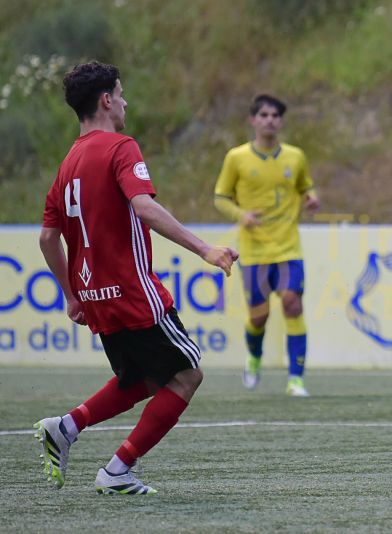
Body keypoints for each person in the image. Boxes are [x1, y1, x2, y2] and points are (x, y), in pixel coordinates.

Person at [35, 61, 238, 495]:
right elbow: (143, 206)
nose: (125, 101)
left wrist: (72, 296)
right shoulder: (120, 147)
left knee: (144, 378)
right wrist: (204, 248)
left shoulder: (68, 163)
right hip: (132, 291)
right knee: (187, 375)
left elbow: (48, 238)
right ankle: (116, 471)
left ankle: (66, 427)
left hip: (96, 297)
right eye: (121, 93)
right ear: (106, 100)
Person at [214, 94, 319, 396]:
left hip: (288, 248)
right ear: (253, 120)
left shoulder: (295, 157)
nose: (269, 119)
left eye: (275, 115)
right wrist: (241, 214)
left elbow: (305, 185)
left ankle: (296, 379)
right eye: (264, 115)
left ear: (281, 121)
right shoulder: (237, 158)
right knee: (259, 317)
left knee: (292, 304)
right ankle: (255, 357)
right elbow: (220, 197)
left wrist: (311, 197)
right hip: (254, 251)